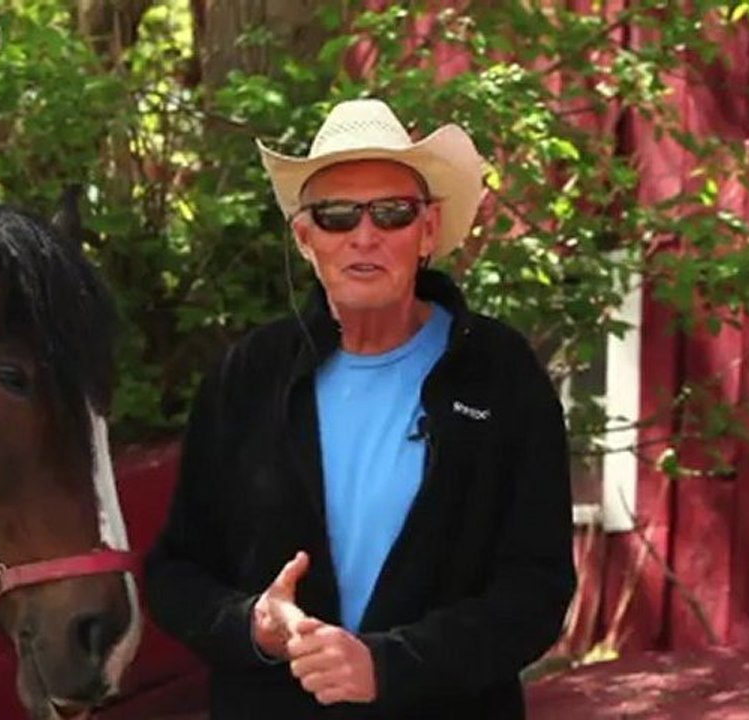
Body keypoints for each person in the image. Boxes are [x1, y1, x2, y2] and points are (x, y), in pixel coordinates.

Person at [144, 98, 575, 719]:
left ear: (428, 230)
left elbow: (536, 592)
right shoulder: (247, 378)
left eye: (392, 213)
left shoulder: (500, 375)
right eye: (338, 215)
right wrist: (253, 625)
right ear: (305, 237)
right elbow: (176, 573)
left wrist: (389, 665)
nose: (364, 236)